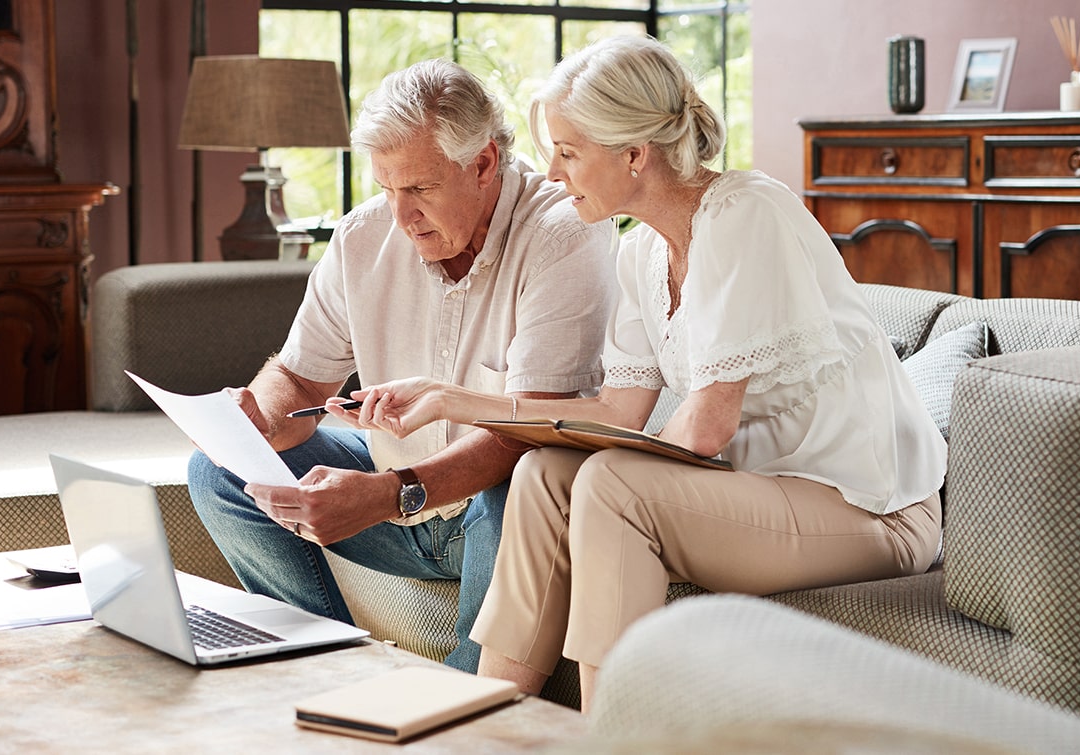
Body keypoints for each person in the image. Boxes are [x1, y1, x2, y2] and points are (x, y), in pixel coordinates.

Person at [350, 35, 947, 710]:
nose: (550, 173)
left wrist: (530, 427)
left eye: (569, 152)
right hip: (769, 493)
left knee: (610, 483)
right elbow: (618, 413)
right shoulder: (641, 255)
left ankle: (616, 733)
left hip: (871, 510)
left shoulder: (748, 213)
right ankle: (490, 715)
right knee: (546, 474)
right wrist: (455, 399)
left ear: (635, 155)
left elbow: (700, 431)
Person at [187, 59, 618, 674]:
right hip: (398, 494)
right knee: (216, 471)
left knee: (525, 481)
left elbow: (526, 432)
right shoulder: (363, 235)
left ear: (484, 163)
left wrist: (389, 495)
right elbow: (300, 378)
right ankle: (325, 666)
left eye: (419, 189)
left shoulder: (563, 233)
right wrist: (257, 417)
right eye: (388, 189)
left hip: (487, 506)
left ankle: (465, 702)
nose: (400, 215)